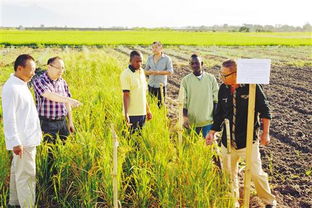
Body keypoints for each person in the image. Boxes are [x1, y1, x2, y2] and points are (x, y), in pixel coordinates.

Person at [205, 60, 277, 208]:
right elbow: (219, 114)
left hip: (247, 140)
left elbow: (265, 110)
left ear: (236, 74)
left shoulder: (251, 87)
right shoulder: (223, 89)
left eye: (225, 75)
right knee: (229, 174)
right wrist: (212, 131)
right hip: (228, 140)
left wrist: (266, 133)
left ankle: (269, 201)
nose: (221, 78)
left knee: (256, 173)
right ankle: (233, 201)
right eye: (221, 74)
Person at [2, 54, 42, 208]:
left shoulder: (21, 84)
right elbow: (9, 117)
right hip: (23, 142)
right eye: (31, 70)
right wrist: (16, 142)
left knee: (17, 173)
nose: (33, 73)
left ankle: (14, 203)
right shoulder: (11, 88)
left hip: (27, 139)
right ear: (19, 68)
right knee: (27, 175)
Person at [32, 56, 81, 144]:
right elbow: (49, 95)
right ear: (49, 67)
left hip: (62, 122)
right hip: (46, 123)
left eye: (62, 68)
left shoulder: (62, 82)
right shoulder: (39, 81)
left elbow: (67, 102)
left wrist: (70, 122)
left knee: (63, 148)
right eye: (58, 68)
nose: (61, 71)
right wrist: (70, 100)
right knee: (49, 153)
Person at [179, 54, 219, 138]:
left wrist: (215, 118)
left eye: (197, 63)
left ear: (202, 63)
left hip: (208, 121)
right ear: (189, 65)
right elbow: (183, 101)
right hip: (192, 121)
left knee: (208, 146)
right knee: (192, 146)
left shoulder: (211, 78)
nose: (194, 65)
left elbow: (216, 100)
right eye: (192, 63)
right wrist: (185, 117)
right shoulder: (185, 80)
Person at [120, 50, 152, 133]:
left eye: (141, 61)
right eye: (137, 61)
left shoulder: (141, 72)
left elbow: (142, 94)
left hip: (142, 113)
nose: (139, 64)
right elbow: (126, 95)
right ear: (130, 61)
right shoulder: (125, 74)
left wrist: (148, 110)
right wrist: (126, 114)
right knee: (130, 139)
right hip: (132, 114)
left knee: (140, 140)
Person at [145, 41, 173, 107]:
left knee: (160, 105)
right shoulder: (149, 58)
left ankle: (160, 116)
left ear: (161, 48)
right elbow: (145, 70)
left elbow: (170, 72)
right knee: (150, 104)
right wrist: (148, 72)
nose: (154, 49)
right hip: (151, 84)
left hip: (161, 86)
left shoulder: (167, 59)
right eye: (153, 47)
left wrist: (158, 72)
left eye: (156, 47)